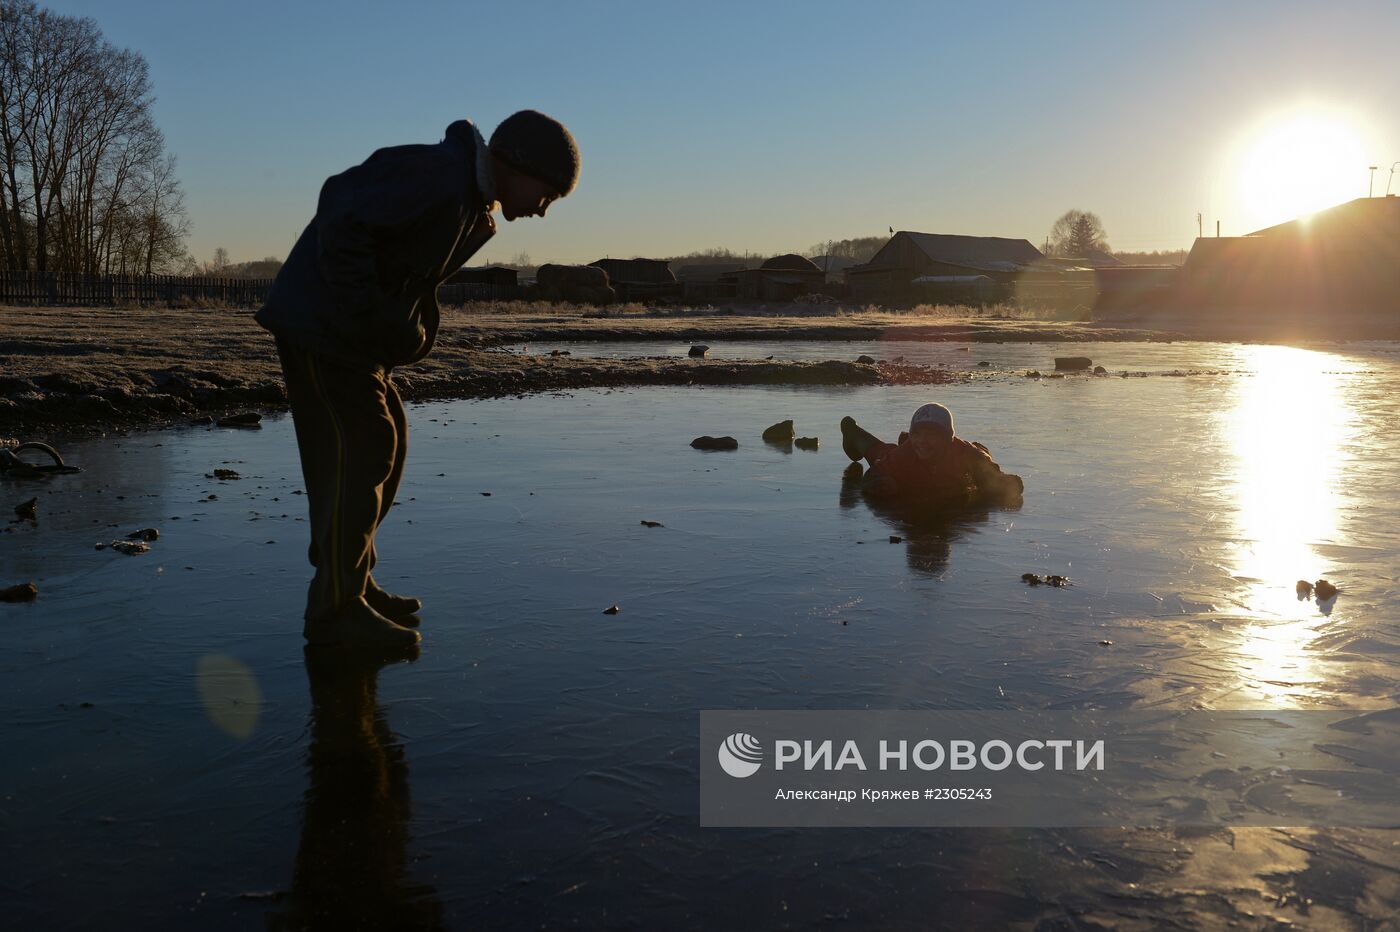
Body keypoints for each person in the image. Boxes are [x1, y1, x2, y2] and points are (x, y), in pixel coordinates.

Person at [256, 111, 580, 647]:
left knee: (390, 444)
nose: (543, 210)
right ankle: (336, 612)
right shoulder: (439, 176)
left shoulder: (468, 198)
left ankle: (350, 580)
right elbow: (340, 206)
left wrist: (395, 323)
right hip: (321, 328)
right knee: (362, 452)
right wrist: (366, 313)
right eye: (546, 194)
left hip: (349, 339)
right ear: (517, 164)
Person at [840, 403, 1023, 507]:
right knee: (881, 453)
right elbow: (871, 477)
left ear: (947, 438)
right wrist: (890, 485)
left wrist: (1005, 484)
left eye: (931, 435)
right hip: (907, 460)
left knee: (979, 457)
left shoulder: (966, 454)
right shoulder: (907, 452)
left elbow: (994, 478)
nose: (923, 440)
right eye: (917, 434)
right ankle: (852, 431)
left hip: (968, 454)